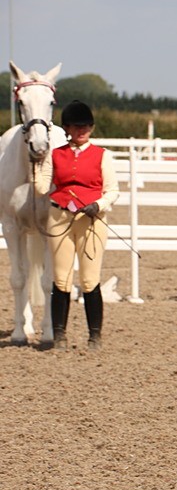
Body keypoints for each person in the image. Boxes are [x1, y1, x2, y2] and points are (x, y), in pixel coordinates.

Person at [33, 101, 119, 351]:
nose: (82, 131)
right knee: (61, 278)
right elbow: (41, 188)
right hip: (59, 218)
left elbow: (112, 190)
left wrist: (99, 205)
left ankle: (94, 336)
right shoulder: (55, 155)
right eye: (76, 126)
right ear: (67, 128)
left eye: (86, 126)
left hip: (90, 219)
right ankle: (59, 335)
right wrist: (36, 166)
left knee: (90, 279)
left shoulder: (102, 155)